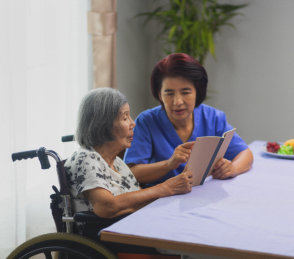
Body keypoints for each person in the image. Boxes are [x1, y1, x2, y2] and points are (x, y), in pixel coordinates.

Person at [124, 53, 253, 187]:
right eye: (169, 93)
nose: (178, 102)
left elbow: (245, 153)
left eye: (185, 92)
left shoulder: (213, 117)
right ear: (159, 95)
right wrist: (169, 164)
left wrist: (232, 168)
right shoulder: (147, 121)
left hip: (202, 197)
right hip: (160, 200)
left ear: (198, 92)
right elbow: (132, 172)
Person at [64, 87, 192, 222]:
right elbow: (106, 207)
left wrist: (174, 191)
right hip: (106, 234)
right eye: (125, 117)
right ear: (103, 125)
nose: (133, 123)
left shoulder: (117, 163)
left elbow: (138, 198)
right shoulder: (86, 158)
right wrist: (165, 188)